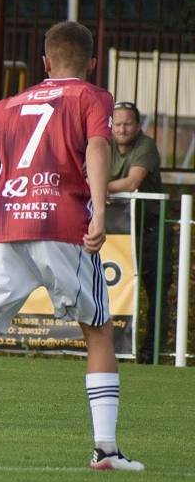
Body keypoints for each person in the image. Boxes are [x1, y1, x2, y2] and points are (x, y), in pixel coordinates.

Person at [0, 21, 143, 470]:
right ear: (92, 63)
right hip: (62, 223)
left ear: (44, 63)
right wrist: (98, 206)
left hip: (6, 228)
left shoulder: (8, 104)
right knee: (97, 331)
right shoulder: (92, 96)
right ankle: (106, 451)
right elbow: (98, 145)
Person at [108, 102, 172, 364]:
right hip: (117, 233)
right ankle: (112, 349)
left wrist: (98, 186)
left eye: (127, 123)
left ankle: (151, 353)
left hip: (151, 230)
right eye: (117, 123)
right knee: (110, 290)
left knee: (155, 292)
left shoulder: (146, 145)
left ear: (137, 126)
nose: (122, 129)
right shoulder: (103, 144)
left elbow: (133, 182)